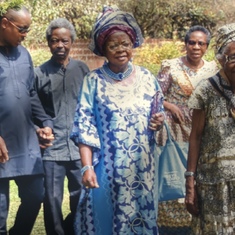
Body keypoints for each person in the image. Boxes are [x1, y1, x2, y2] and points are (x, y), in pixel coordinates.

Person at [70, 6, 165, 235]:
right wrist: (86, 167)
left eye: (125, 44)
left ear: (132, 45)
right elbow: (85, 126)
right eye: (113, 45)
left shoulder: (147, 78)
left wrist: (159, 123)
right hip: (106, 170)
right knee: (105, 222)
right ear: (103, 49)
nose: (120, 50)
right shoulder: (93, 81)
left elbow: (159, 118)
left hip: (143, 171)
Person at [156, 25, 219, 234]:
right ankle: (172, 227)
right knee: (174, 179)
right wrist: (170, 106)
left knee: (200, 179)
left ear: (207, 47)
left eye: (201, 43)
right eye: (192, 42)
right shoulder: (171, 67)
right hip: (174, 134)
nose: (196, 46)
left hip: (203, 133)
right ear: (185, 44)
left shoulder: (214, 70)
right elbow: (155, 96)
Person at [0, 3, 54, 235]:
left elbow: (30, 93)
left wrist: (45, 123)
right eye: (22, 29)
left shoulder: (24, 54)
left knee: (35, 196)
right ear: (4, 23)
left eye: (27, 30)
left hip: (25, 142)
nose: (25, 35)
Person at [34, 18, 89, 235]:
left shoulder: (82, 69)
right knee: (52, 199)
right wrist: (38, 131)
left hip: (79, 149)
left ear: (71, 42)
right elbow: (32, 109)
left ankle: (75, 230)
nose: (60, 45)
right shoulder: (39, 74)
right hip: (52, 150)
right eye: (55, 41)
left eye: (64, 41)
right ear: (49, 43)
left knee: (81, 196)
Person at [185, 23, 235, 235]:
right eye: (233, 57)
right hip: (214, 183)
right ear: (221, 59)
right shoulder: (206, 90)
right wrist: (190, 181)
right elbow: (195, 137)